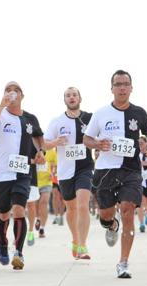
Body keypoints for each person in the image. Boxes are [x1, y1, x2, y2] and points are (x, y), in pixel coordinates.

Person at [84, 70, 147, 278]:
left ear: (131, 88)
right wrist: (97, 143)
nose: (122, 88)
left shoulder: (139, 113)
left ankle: (123, 262)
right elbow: (87, 139)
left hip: (131, 170)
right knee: (106, 215)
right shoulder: (101, 113)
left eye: (126, 84)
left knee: (127, 210)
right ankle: (111, 225)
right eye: (118, 84)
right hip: (105, 170)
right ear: (112, 89)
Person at [0, 81, 45, 270]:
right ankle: (2, 243)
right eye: (8, 90)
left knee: (19, 209)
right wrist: (0, 105)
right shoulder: (0, 115)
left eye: (15, 90)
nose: (11, 93)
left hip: (22, 171)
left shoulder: (30, 118)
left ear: (22, 96)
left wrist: (41, 150)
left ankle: (18, 252)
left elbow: (38, 136)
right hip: (1, 173)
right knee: (3, 214)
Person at [44, 87, 94, 260]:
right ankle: (75, 239)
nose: (71, 97)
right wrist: (56, 141)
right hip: (65, 172)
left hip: (85, 168)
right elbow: (44, 143)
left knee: (82, 205)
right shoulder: (57, 121)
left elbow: (100, 136)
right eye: (68, 95)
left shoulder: (89, 118)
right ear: (64, 99)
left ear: (80, 98)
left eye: (74, 95)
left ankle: (83, 245)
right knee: (71, 208)